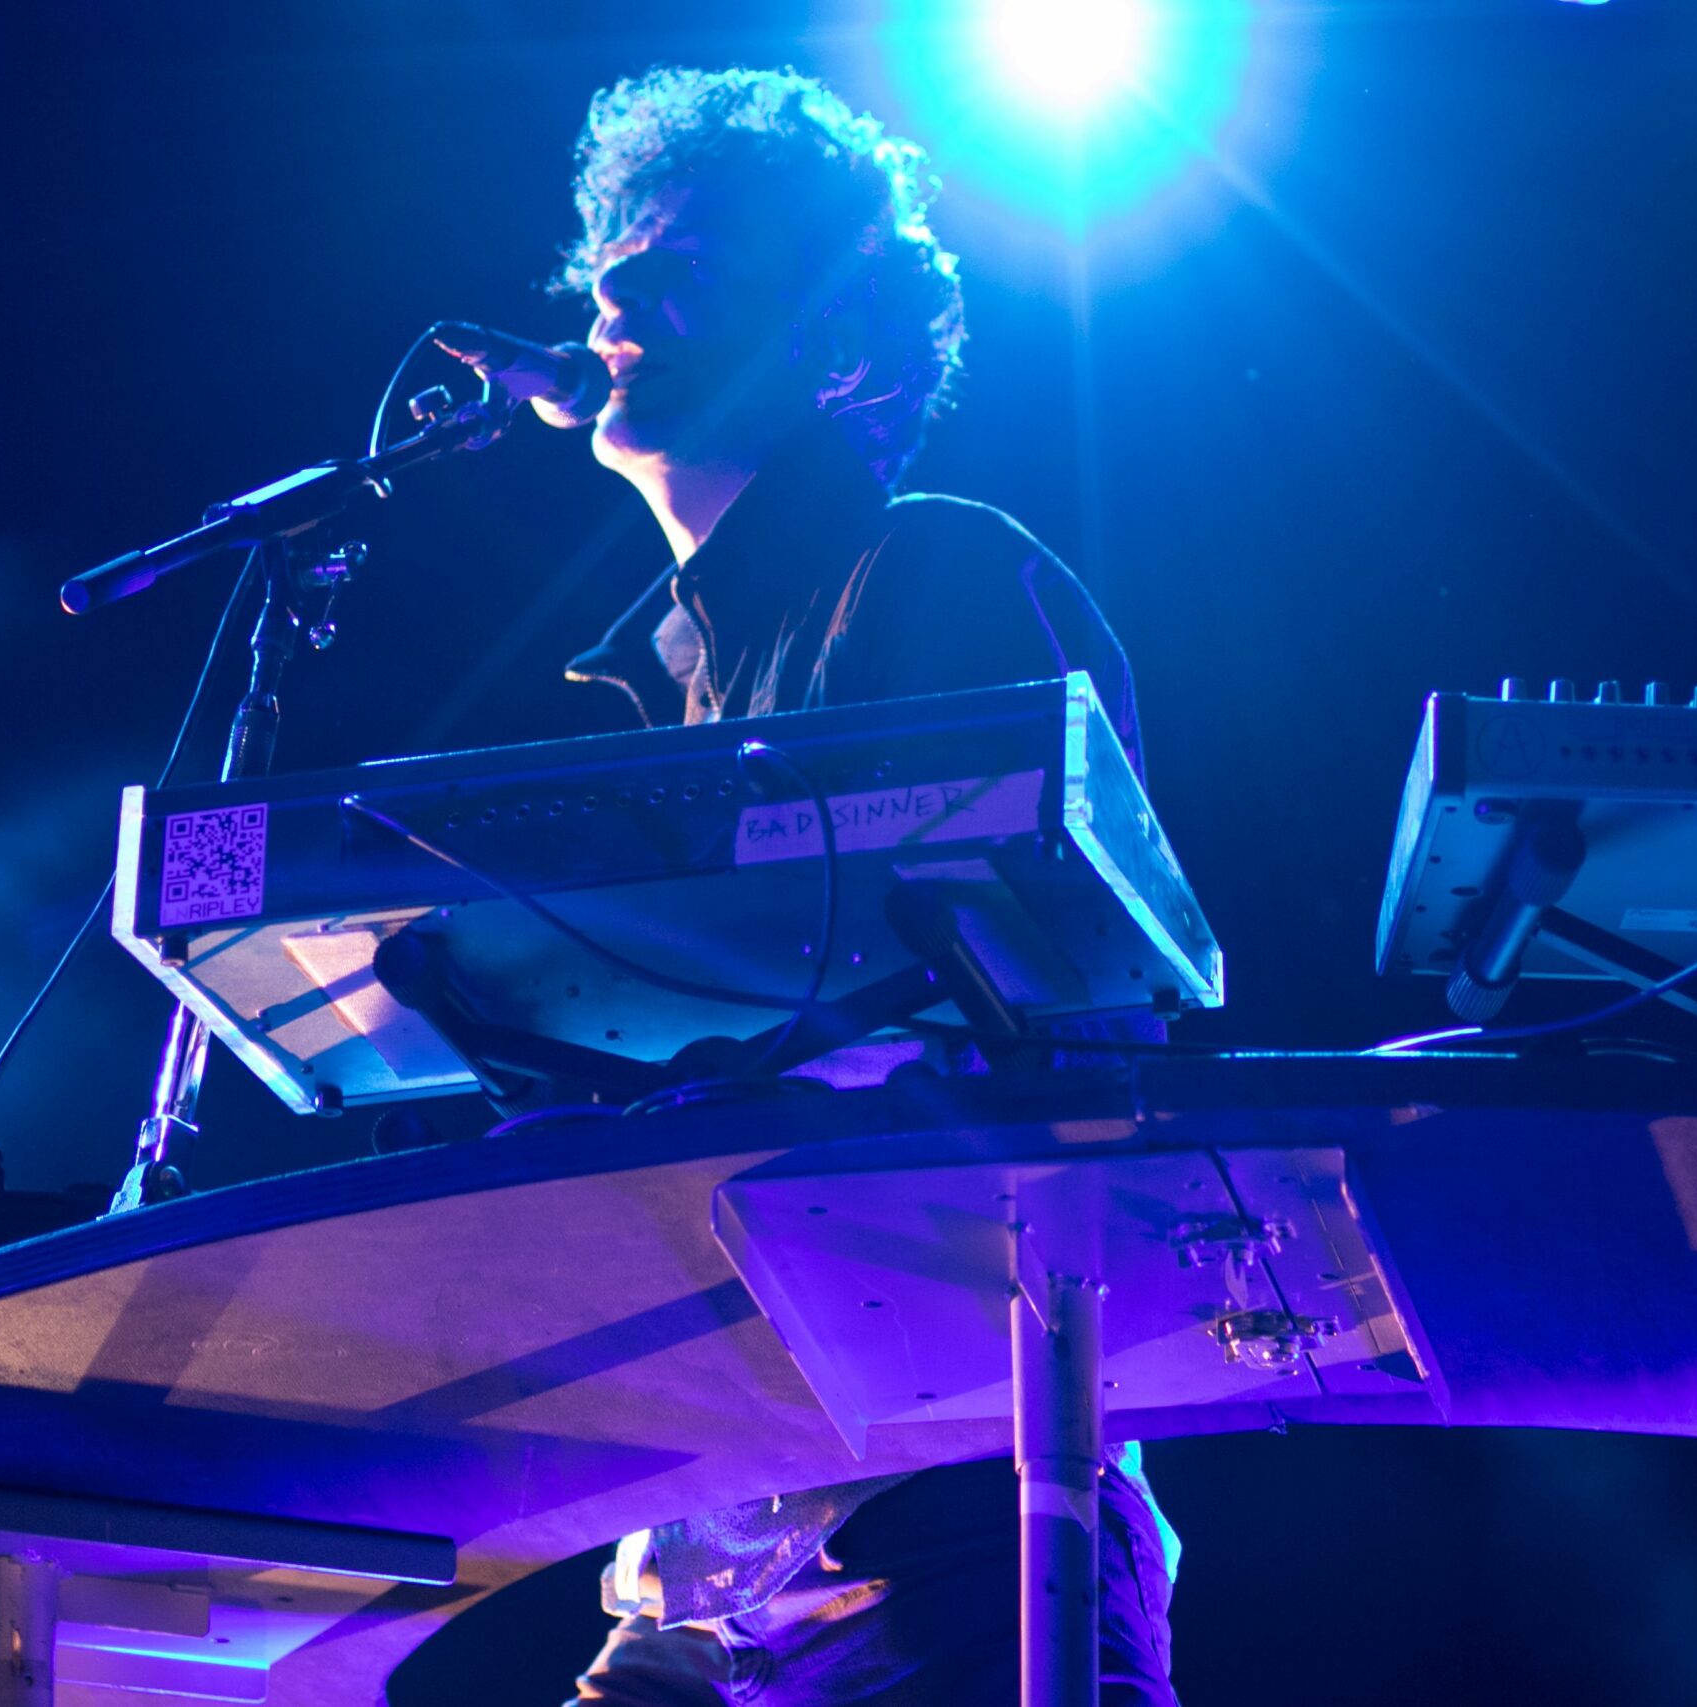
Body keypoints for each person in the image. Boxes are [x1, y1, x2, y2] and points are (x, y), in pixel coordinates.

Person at [444, 64, 1181, 1707]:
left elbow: (1043, 1000)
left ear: (837, 338)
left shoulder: (939, 571)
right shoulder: (661, 683)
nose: (617, 294)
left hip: (956, 1518)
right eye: (616, 262)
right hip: (700, 1549)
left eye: (688, 264)